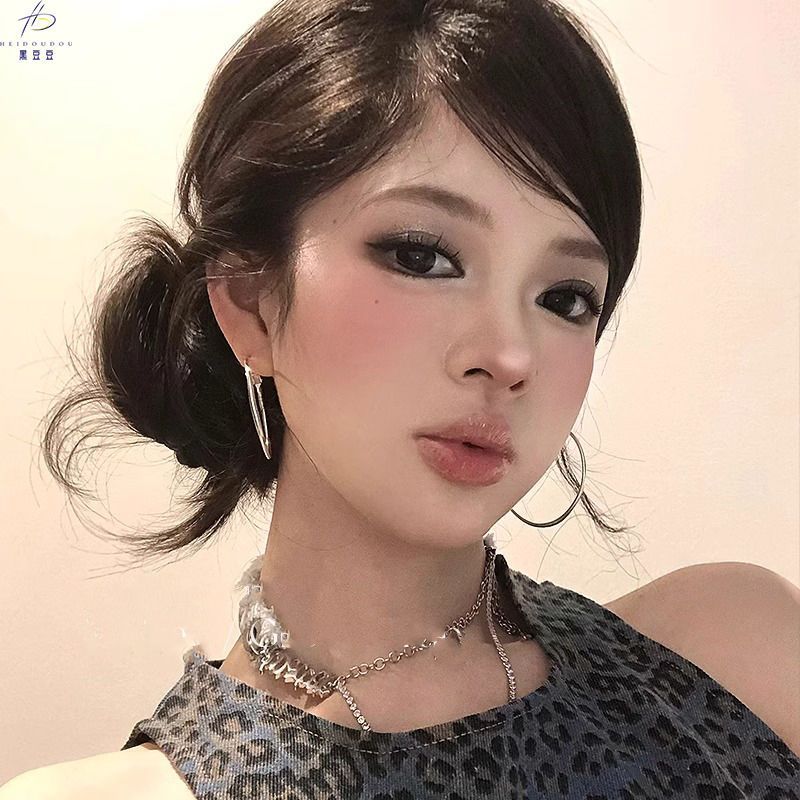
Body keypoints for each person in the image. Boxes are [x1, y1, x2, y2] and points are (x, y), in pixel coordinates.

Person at [3, 0, 798, 797]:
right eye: (422, 256)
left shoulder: (736, 662)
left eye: (565, 298)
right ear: (250, 301)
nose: (510, 356)